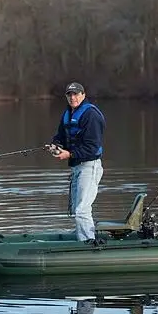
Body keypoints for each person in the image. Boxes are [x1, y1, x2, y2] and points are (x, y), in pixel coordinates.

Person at [46, 82, 105, 242]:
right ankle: (83, 237)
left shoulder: (91, 115)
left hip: (89, 166)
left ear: (83, 95)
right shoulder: (68, 114)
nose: (73, 97)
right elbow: (60, 136)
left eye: (76, 94)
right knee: (76, 209)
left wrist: (69, 154)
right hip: (77, 167)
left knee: (82, 210)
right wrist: (56, 145)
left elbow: (92, 147)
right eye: (69, 95)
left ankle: (88, 243)